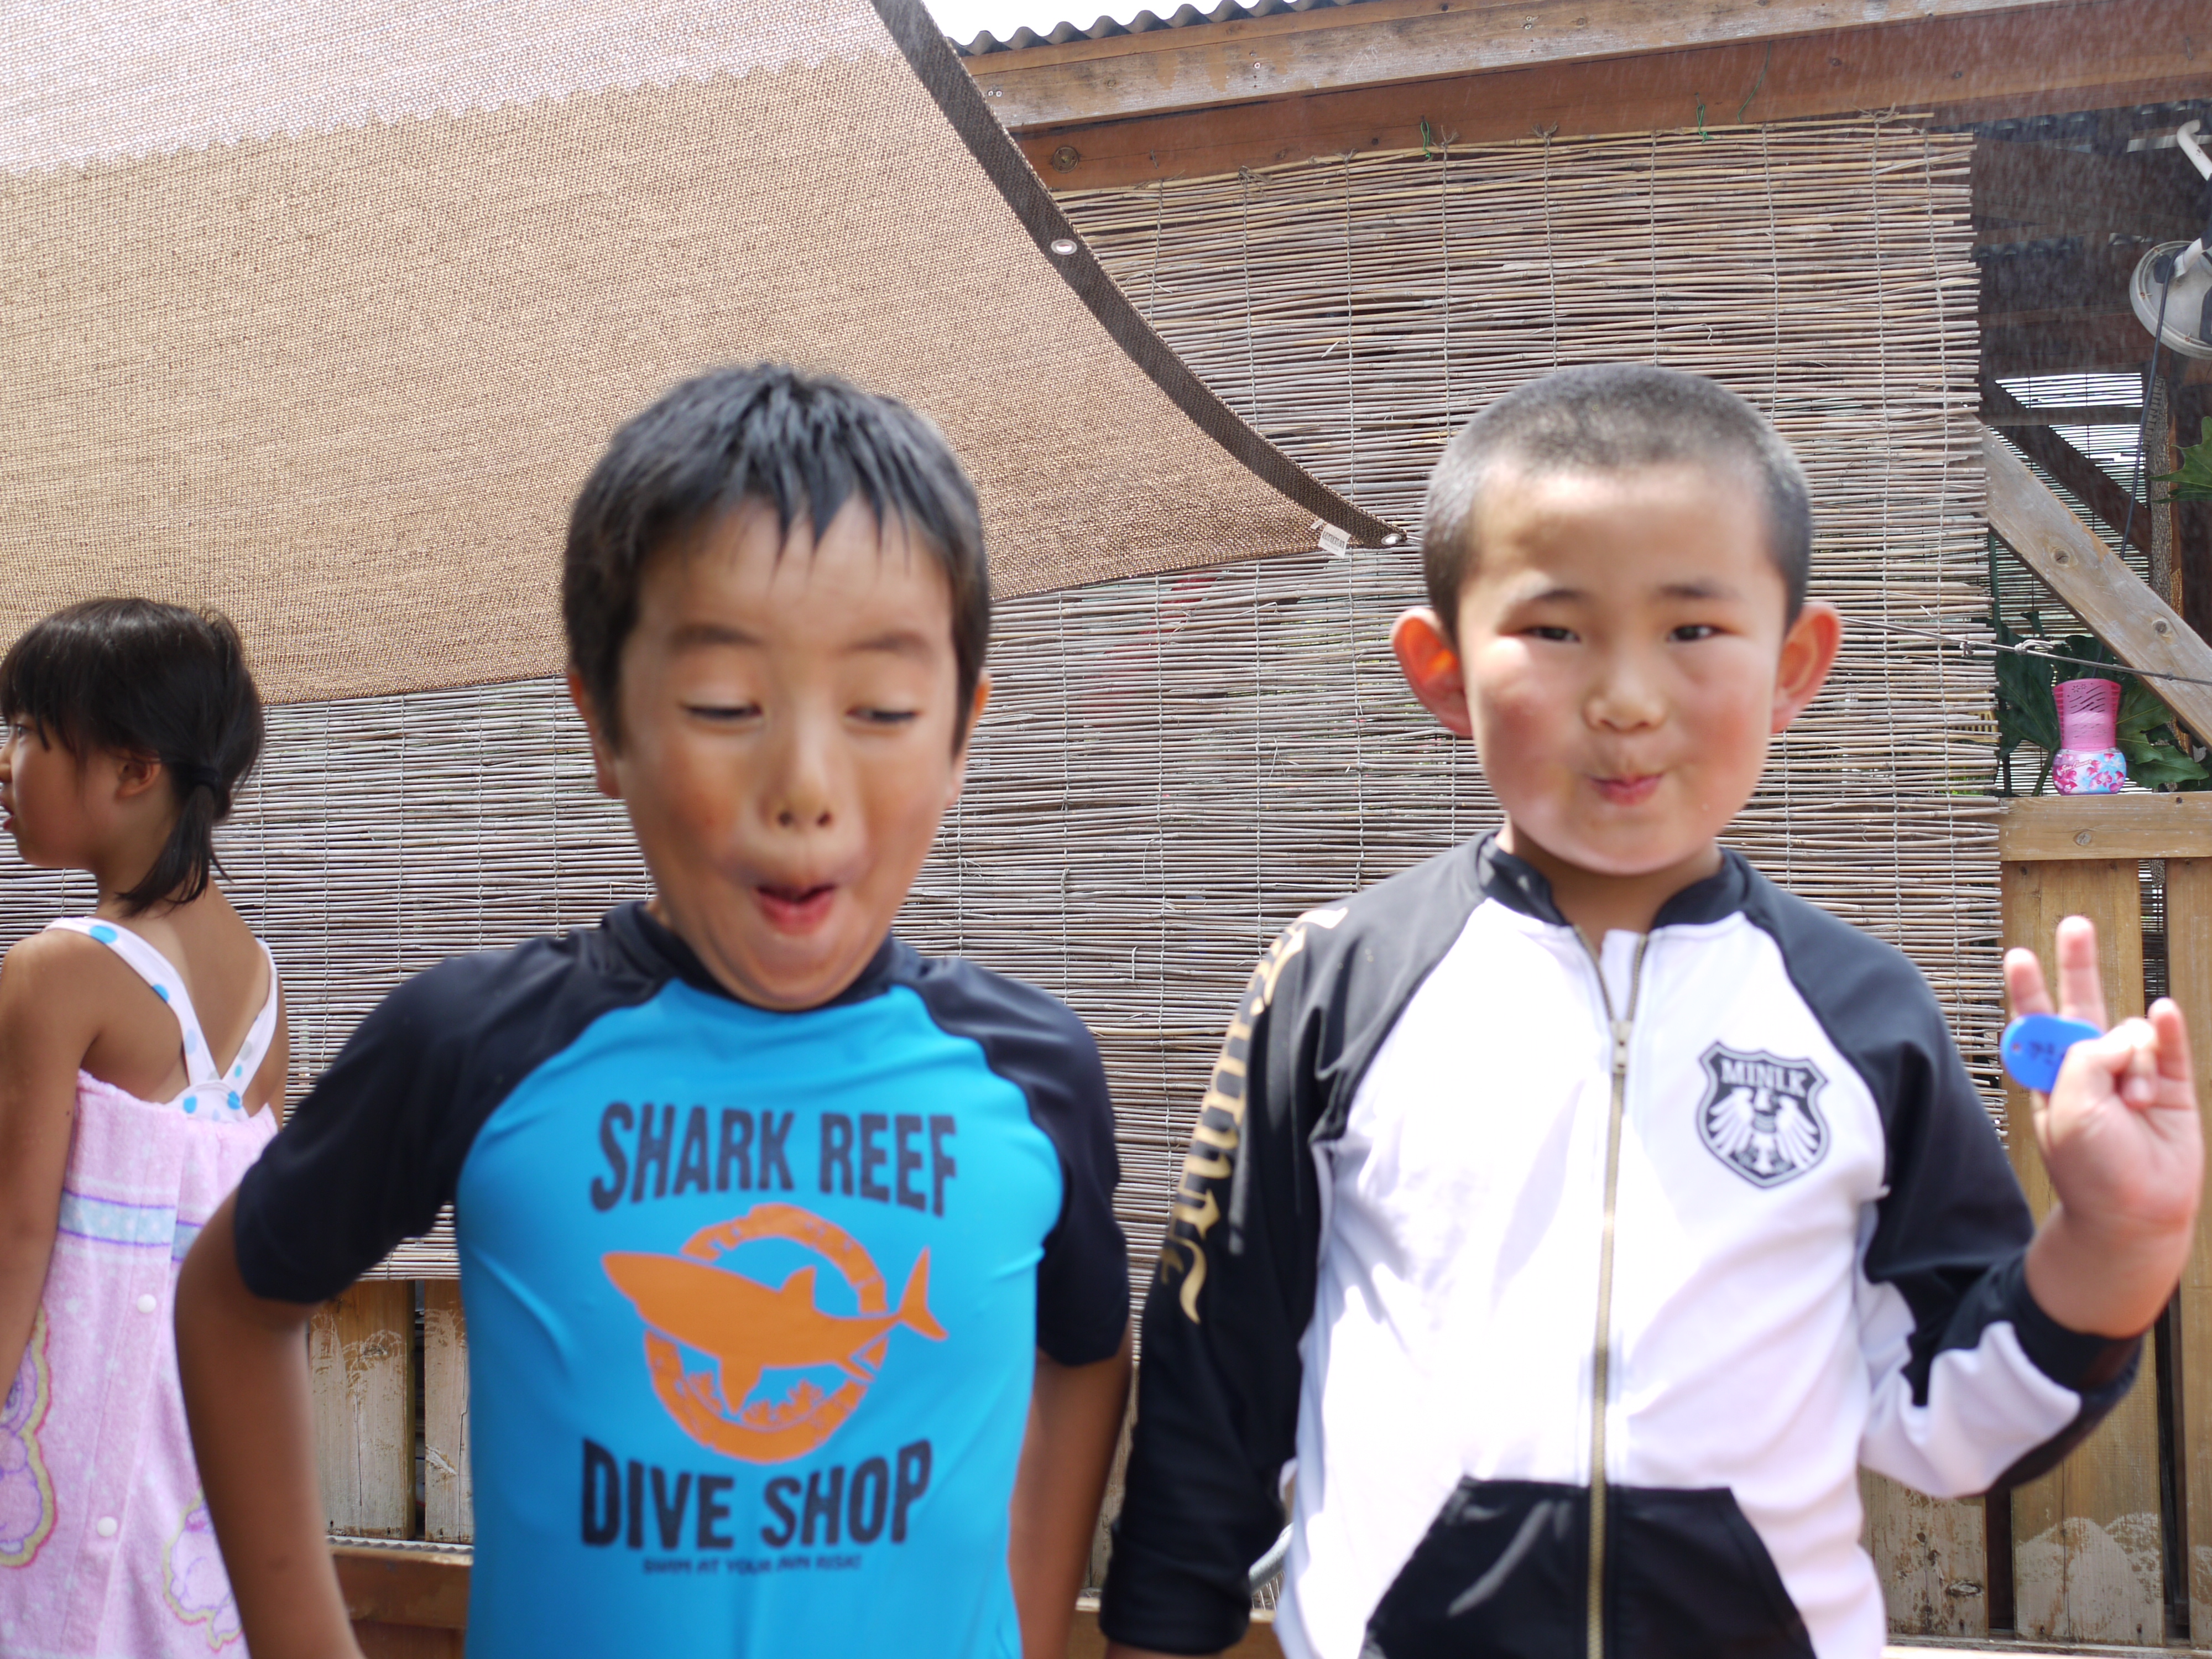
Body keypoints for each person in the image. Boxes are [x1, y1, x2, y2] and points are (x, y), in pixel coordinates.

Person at [1099, 364, 2203, 1659]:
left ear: (1792, 666)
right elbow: (1214, 1380)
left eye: (1690, 630)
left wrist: (2114, 1242)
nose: (1625, 698)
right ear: (1441, 672)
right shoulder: (1336, 985)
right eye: (1554, 630)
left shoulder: (1862, 1019)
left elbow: (1956, 1426)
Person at [176, 365, 1133, 1659]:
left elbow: (1087, 1352)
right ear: (603, 723)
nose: (804, 785)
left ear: (961, 733)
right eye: (723, 707)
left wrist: (1022, 1631)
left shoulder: (1033, 1075)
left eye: (883, 711)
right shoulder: (472, 1045)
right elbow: (233, 1302)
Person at [0, 599, 280, 1657]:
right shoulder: (264, 988)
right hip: (194, 1472)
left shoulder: (56, 972)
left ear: (132, 769)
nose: (6, 762)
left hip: (55, 1463)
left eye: (30, 731)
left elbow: (15, 1234)